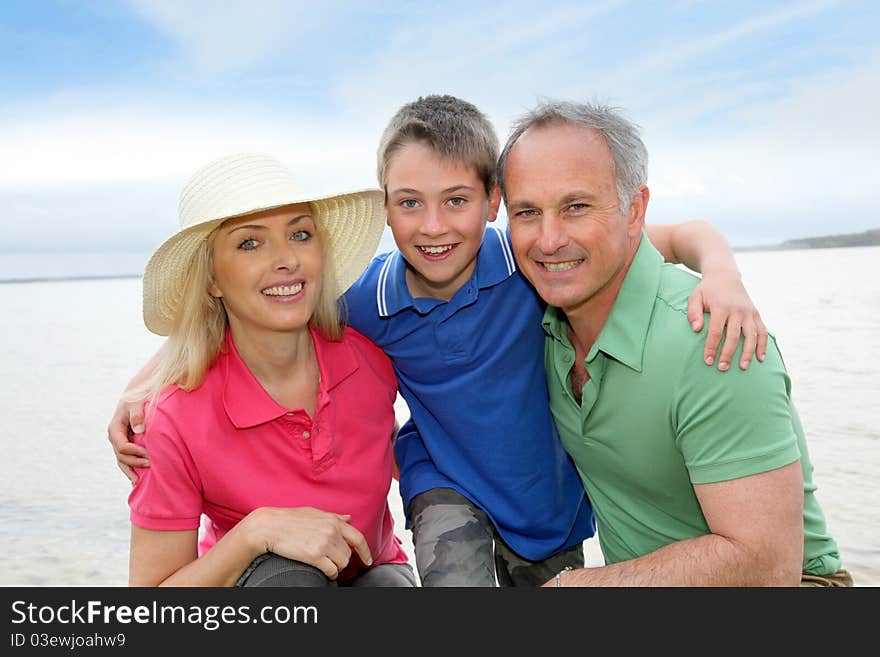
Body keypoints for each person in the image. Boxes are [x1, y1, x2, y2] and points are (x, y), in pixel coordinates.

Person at [110, 95, 767, 587]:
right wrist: (146, 385)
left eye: (456, 200)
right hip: (443, 483)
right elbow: (249, 315)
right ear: (387, 206)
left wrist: (723, 272)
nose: (432, 227)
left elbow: (675, 236)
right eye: (409, 203)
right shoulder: (366, 300)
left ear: (493, 201)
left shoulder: (535, 263)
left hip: (546, 502)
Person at [498, 100, 851, 587]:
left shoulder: (714, 340)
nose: (550, 238)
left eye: (576, 206)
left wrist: (572, 587)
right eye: (527, 212)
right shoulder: (536, 316)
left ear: (634, 210)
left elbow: (767, 565)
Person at [125, 152, 415, 587]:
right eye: (249, 242)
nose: (287, 260)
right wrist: (255, 533)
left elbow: (417, 449)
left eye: (300, 234)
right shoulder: (172, 419)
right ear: (212, 281)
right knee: (289, 579)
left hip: (375, 577)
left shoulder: (371, 359)